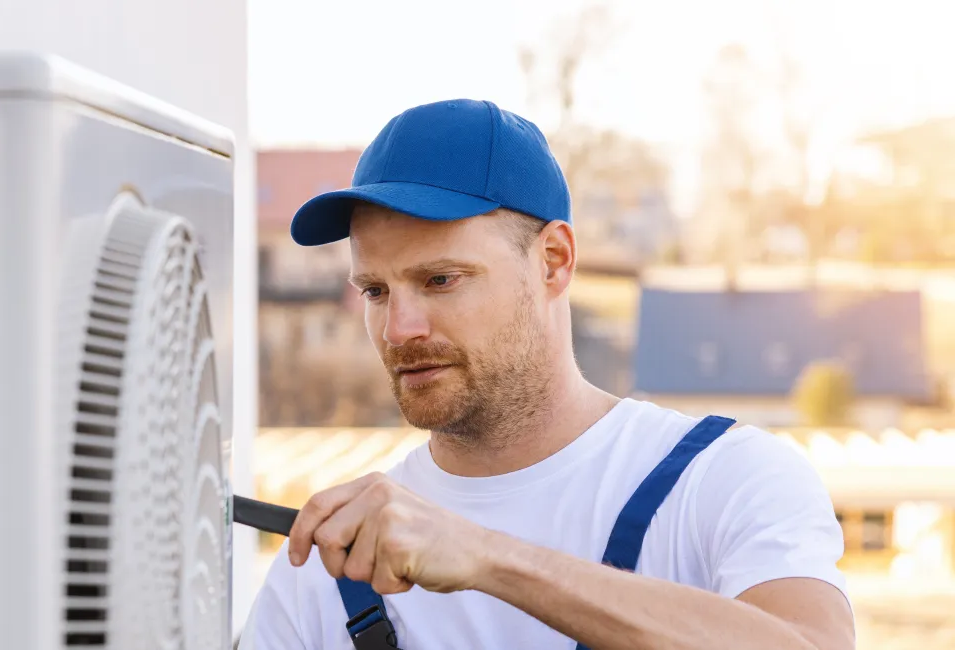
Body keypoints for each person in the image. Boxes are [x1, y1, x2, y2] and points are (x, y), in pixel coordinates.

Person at [243, 99, 853, 650]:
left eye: (440, 281)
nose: (399, 329)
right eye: (375, 290)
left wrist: (488, 556)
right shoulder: (319, 571)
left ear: (554, 262)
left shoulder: (722, 478)